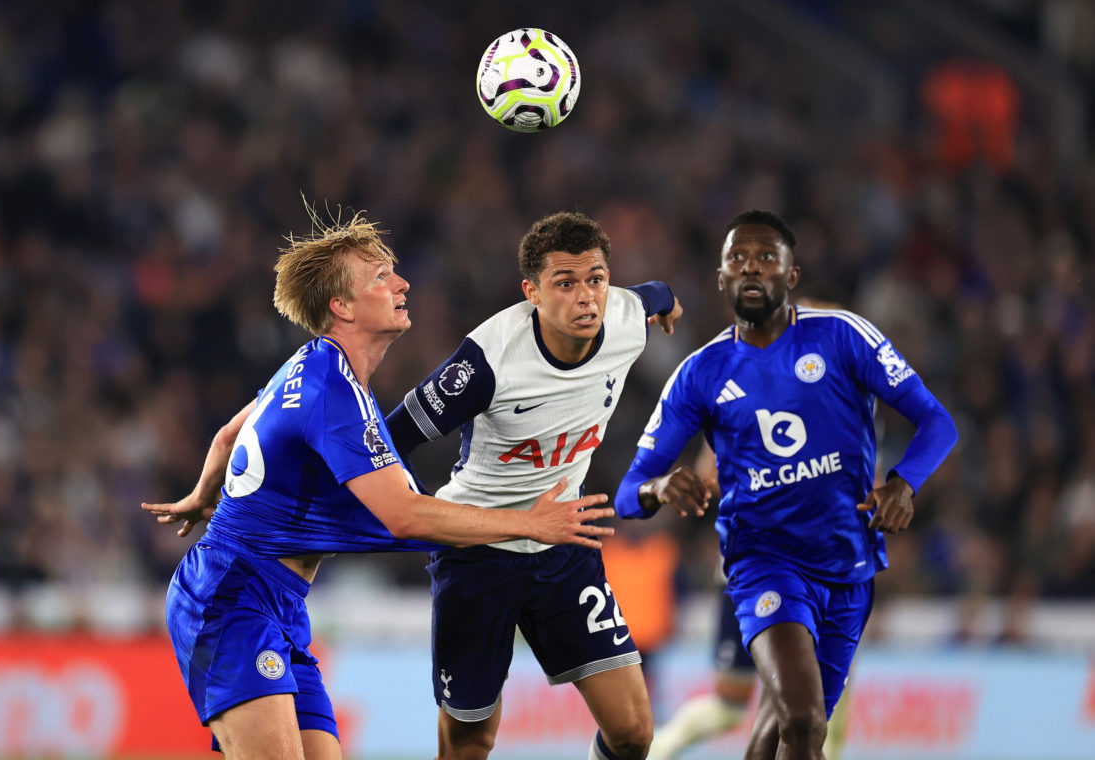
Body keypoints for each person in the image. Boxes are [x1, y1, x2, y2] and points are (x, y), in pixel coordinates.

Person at [141, 211, 617, 760]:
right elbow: (406, 516)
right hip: (232, 598)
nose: (402, 283)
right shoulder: (331, 391)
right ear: (342, 307)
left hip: (278, 602)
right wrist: (531, 524)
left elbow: (229, 436)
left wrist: (202, 496)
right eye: (381, 277)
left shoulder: (313, 366)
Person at [616, 210, 958, 760]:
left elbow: (937, 423)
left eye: (767, 258)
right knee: (804, 723)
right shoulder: (701, 373)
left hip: (847, 565)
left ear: (791, 276)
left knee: (780, 731)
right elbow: (628, 491)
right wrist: (659, 489)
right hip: (763, 561)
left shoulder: (843, 337)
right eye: (738, 260)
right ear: (721, 278)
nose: (752, 269)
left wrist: (903, 483)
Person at [385, 211, 683, 760]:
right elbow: (388, 439)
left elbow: (655, 295)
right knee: (472, 742)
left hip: (563, 549)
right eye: (565, 284)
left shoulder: (624, 317)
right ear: (532, 292)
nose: (586, 297)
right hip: (477, 555)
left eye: (596, 278)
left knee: (635, 733)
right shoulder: (487, 361)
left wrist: (665, 302)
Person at [647, 444, 849, 760]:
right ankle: (654, 751)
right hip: (750, 576)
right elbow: (707, 477)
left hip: (813, 575)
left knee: (814, 706)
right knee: (734, 707)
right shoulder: (739, 402)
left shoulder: (845, 410)